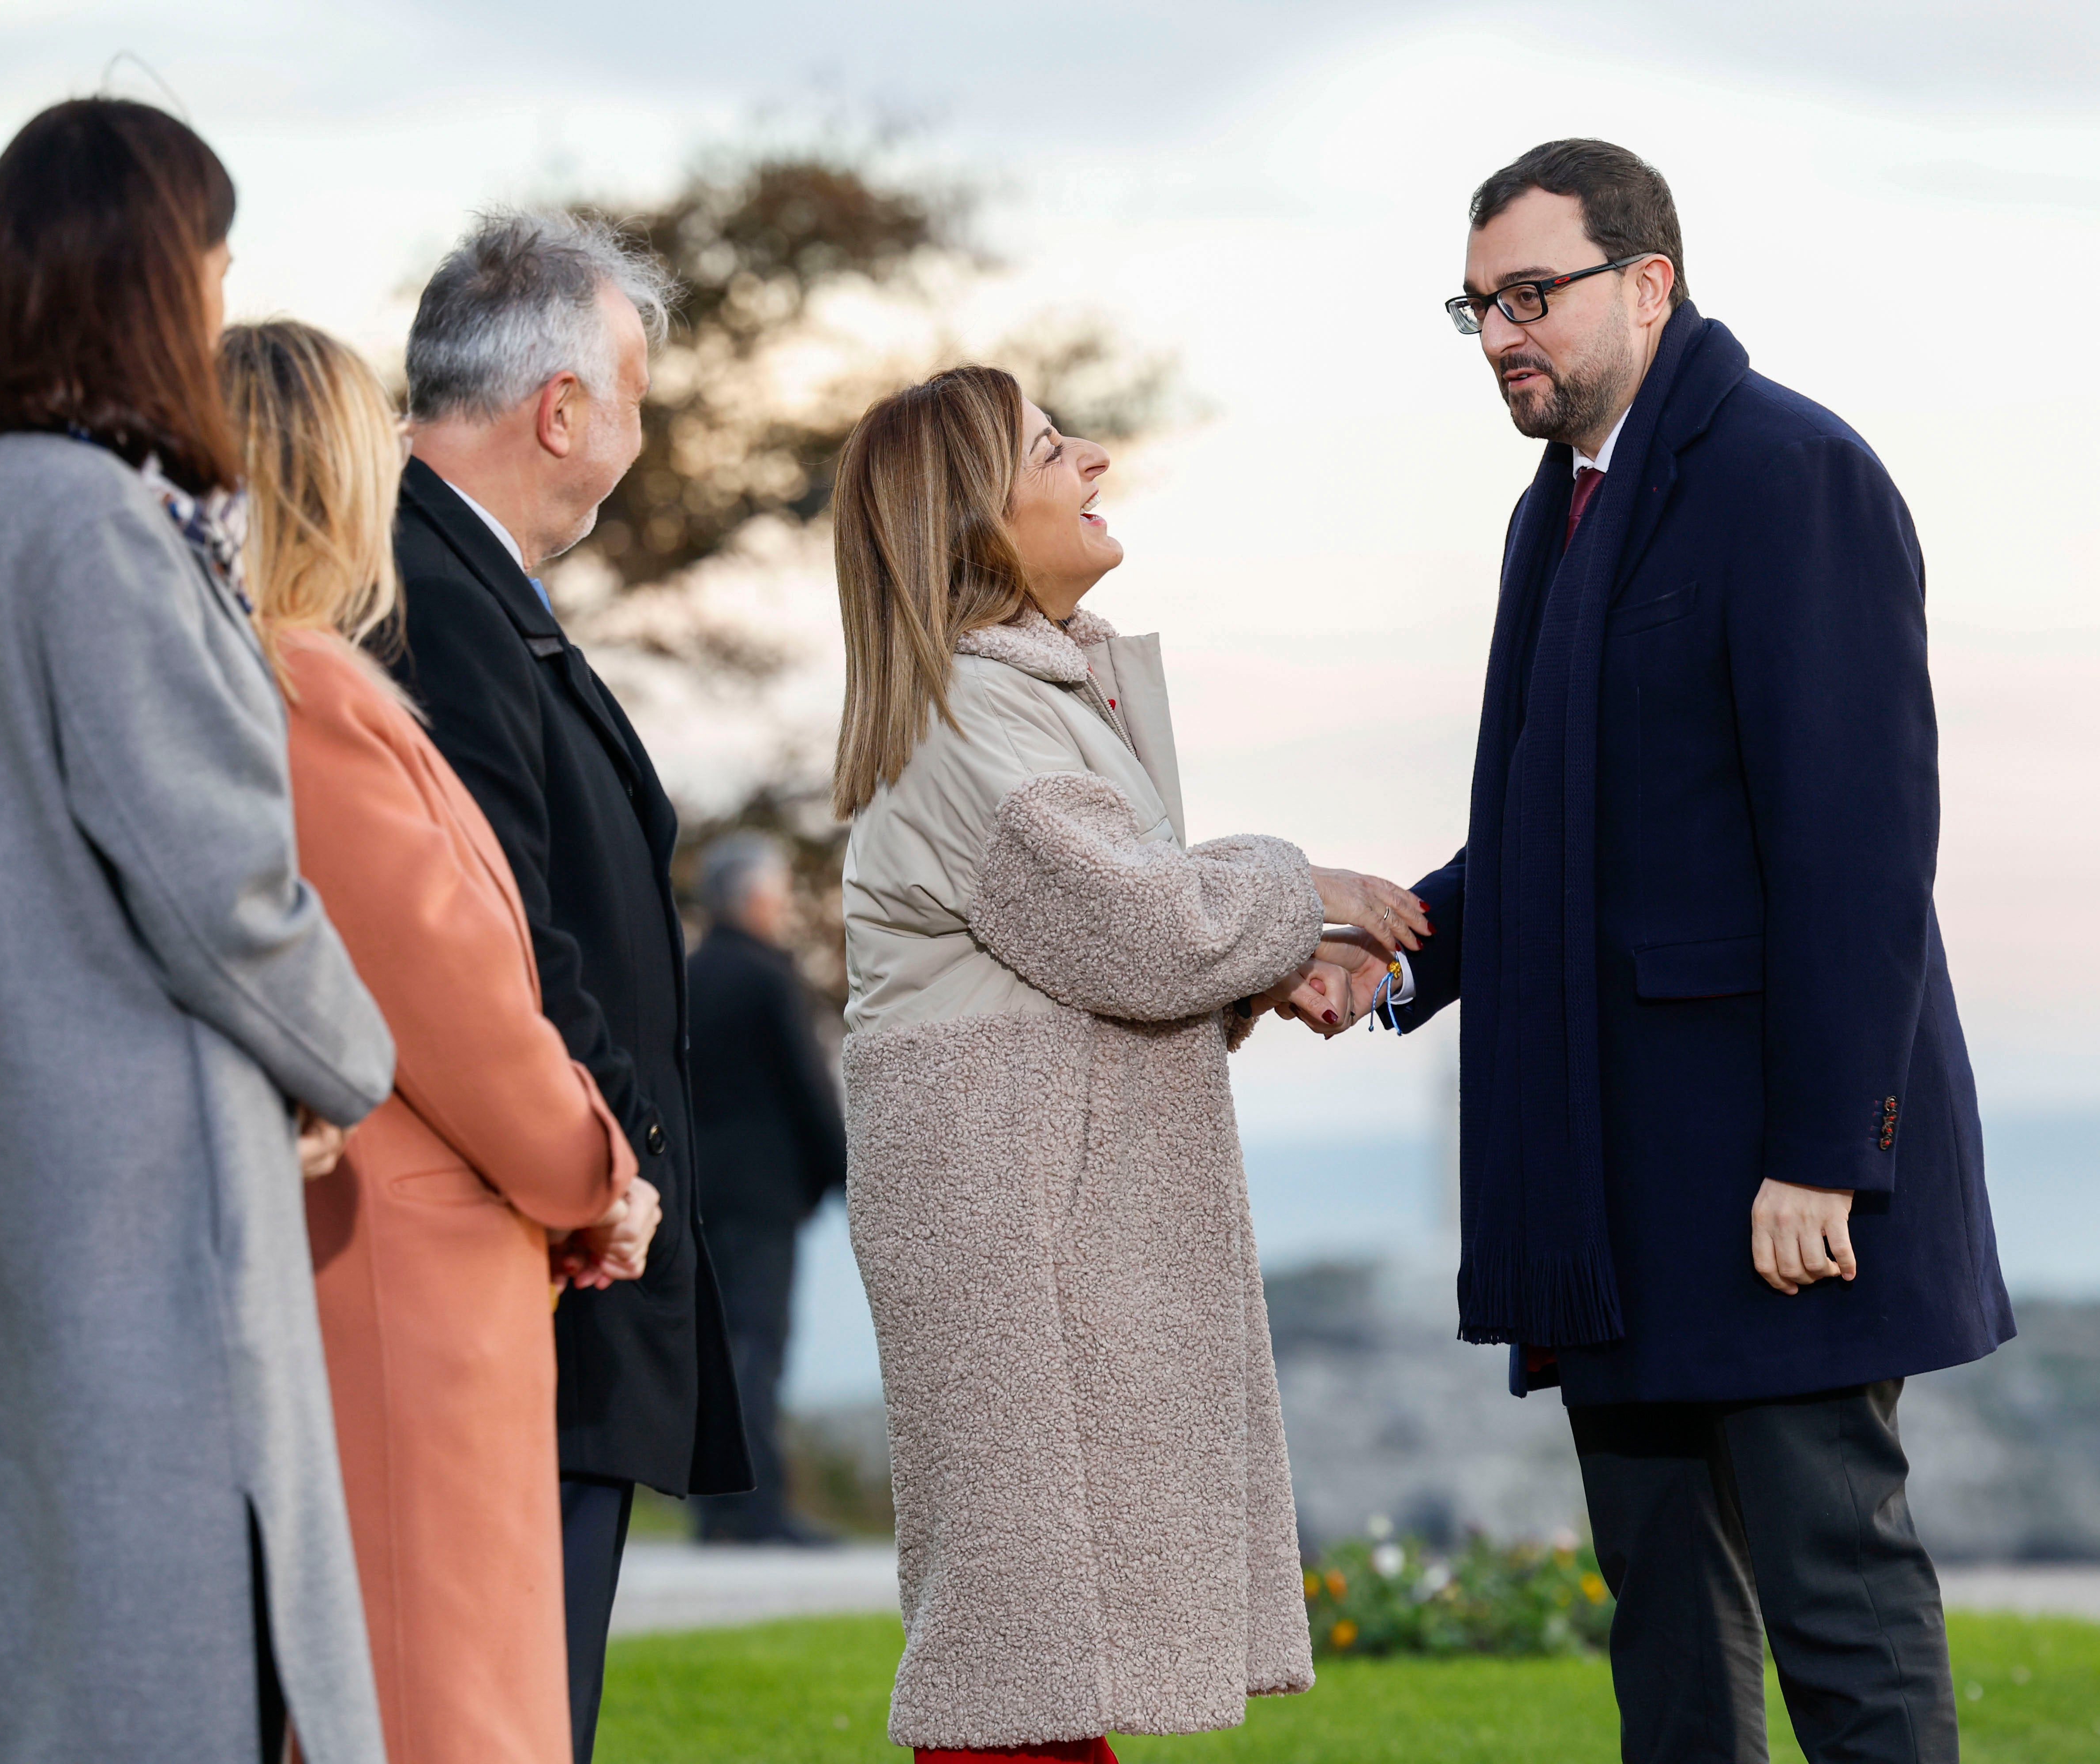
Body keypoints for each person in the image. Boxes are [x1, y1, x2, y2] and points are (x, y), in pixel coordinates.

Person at [1389, 140, 2013, 1764]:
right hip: (1617, 1186)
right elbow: (1558, 828)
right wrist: (1394, 952)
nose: (1505, 333)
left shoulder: (1786, 473)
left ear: (1647, 283)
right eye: (1478, 309)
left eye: (1534, 294)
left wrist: (1823, 1155)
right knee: (1664, 1609)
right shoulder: (1567, 508)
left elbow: (1858, 844)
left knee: (1837, 1597)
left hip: (1768, 1181)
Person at [0, 101, 395, 1763]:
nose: (214, 299)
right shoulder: (90, 524)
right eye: (210, 263)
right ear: (141, 274)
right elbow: (219, 882)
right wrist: (349, 1059)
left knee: (68, 1647)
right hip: (139, 1184)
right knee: (184, 1668)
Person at [832, 364, 1421, 1764]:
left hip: (1039, 1211)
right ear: (975, 516)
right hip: (1011, 1231)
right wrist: (1309, 886)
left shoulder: (1021, 696)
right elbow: (1143, 929)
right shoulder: (970, 715)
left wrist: (1263, 965)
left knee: (1041, 1649)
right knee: (1017, 1656)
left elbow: (1103, 940)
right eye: (1050, 448)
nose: (1092, 460)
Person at [221, 316, 666, 1764]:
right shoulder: (312, 702)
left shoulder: (260, 692)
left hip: (387, 1264)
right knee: (443, 1709)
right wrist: (603, 1175)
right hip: (418, 1284)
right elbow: (465, 1002)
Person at [388, 209, 752, 1760]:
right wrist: (623, 1169)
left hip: (548, 1244)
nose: (638, 430)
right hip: (538, 1248)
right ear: (561, 410)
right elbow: (507, 937)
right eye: (636, 396)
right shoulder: (431, 594)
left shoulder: (454, 580)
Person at [685, 833, 850, 1547]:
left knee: (716, 1346)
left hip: (695, 1191)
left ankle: (713, 1507)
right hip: (763, 1196)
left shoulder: (687, 974)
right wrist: (848, 1178)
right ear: (756, 898)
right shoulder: (769, 977)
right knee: (759, 1342)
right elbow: (809, 1089)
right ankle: (758, 1509)